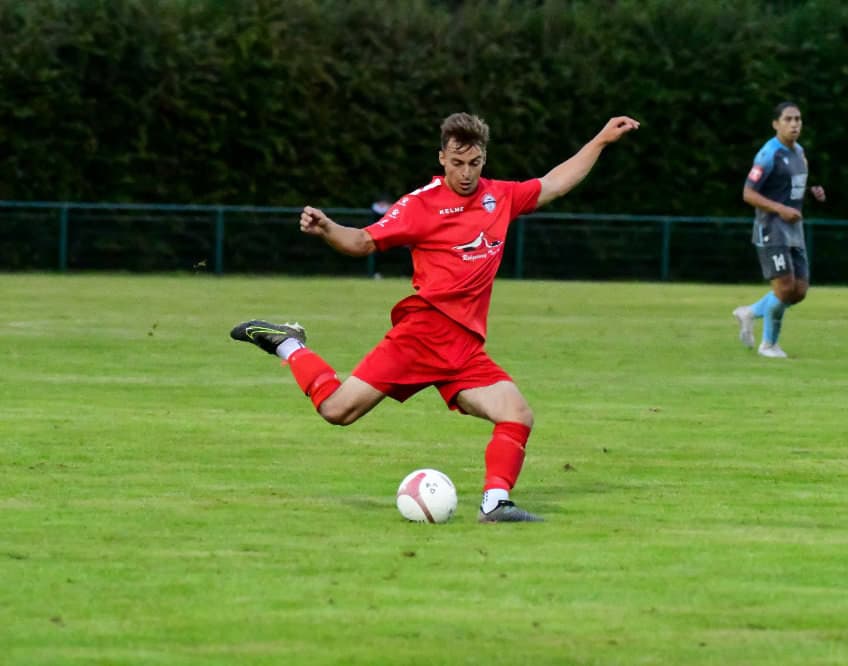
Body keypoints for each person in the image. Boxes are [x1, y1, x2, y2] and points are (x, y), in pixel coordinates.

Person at [230, 112, 640, 522]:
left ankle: (495, 503)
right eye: (457, 163)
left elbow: (555, 183)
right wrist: (328, 228)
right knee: (337, 410)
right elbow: (363, 241)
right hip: (423, 334)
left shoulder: (499, 197)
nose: (466, 173)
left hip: (464, 348)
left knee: (516, 414)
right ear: (442, 157)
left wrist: (601, 140)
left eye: (474, 163)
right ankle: (288, 344)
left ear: (484, 159)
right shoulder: (420, 205)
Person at [732, 101, 826, 358]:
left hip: (794, 228)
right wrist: (780, 209)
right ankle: (768, 345)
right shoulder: (768, 154)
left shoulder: (799, 152)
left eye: (798, 119)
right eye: (788, 119)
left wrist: (812, 191)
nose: (794, 124)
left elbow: (789, 188)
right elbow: (748, 193)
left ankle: (749, 312)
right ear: (776, 124)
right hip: (771, 227)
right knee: (784, 288)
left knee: (799, 291)